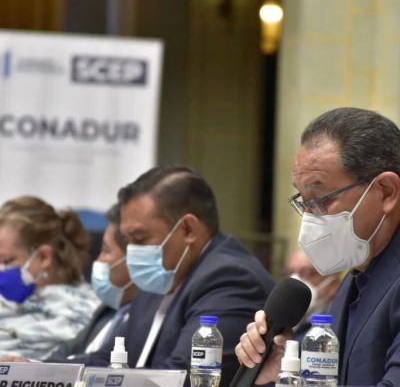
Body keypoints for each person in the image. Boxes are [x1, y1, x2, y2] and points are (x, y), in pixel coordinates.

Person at [235, 107, 400, 386]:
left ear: (387, 191)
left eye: (321, 200)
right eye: (304, 202)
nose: (309, 218)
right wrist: (289, 371)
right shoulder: (355, 278)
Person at [72, 164, 275, 387]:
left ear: (188, 229)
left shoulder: (231, 280)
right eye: (127, 241)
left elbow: (185, 378)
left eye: (139, 239)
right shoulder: (160, 278)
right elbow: (110, 359)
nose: (131, 253)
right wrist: (47, 371)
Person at [0, 196, 100, 360]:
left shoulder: (88, 315)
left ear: (44, 257)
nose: (1, 270)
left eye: (6, 260)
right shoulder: (7, 304)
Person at [46, 203, 136, 360]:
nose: (98, 260)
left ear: (134, 259)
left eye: (105, 250)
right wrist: (27, 364)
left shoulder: (144, 318)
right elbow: (63, 354)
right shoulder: (108, 310)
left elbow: (105, 362)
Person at [286, 248, 341, 341]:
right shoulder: (285, 321)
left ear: (333, 282)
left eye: (307, 273)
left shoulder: (339, 325)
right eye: (290, 273)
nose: (295, 280)